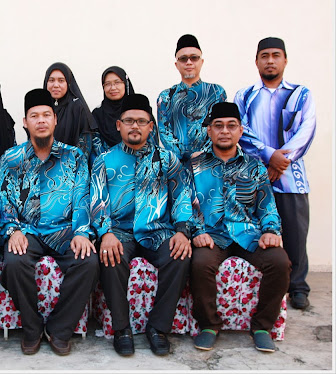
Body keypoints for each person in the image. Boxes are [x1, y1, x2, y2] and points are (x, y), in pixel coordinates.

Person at [0, 88, 99, 356]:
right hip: (27, 230)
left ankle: (59, 329)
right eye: (34, 115)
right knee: (14, 262)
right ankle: (31, 328)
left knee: (88, 261)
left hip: (65, 231)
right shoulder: (11, 159)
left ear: (55, 120)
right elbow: (3, 201)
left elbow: (82, 197)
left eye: (46, 115)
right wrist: (13, 231)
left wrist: (81, 232)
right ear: (25, 122)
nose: (41, 120)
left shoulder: (74, 157)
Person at [90, 93, 193, 357]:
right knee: (110, 257)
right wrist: (105, 233)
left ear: (150, 126)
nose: (135, 126)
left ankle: (158, 328)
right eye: (129, 120)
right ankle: (122, 329)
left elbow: (181, 195)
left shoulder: (166, 159)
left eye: (141, 121)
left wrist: (182, 232)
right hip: (120, 233)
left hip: (157, 231)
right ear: (118, 125)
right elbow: (97, 200)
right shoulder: (104, 160)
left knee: (179, 256)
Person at [189, 102, 291, 352]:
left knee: (280, 262)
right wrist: (198, 232)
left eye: (231, 126)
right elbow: (185, 204)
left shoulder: (255, 167)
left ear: (240, 131)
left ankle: (262, 326)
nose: (225, 131)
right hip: (212, 234)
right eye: (218, 126)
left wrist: (270, 230)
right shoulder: (194, 166)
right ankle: (209, 325)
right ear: (209, 131)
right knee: (200, 263)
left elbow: (267, 205)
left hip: (249, 233)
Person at [235, 37, 316, 310]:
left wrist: (280, 161)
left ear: (285, 60)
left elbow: (306, 131)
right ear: (256, 61)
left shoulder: (301, 94)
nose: (270, 60)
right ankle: (265, 285)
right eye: (265, 55)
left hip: (291, 178)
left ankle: (298, 288)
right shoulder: (245, 96)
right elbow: (241, 132)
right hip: (255, 179)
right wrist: (269, 156)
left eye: (276, 55)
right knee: (259, 234)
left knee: (295, 234)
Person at [157, 34, 227, 162]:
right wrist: (185, 156)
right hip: (177, 166)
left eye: (194, 58)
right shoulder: (166, 96)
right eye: (183, 59)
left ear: (201, 61)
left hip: (211, 163)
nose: (189, 62)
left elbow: (220, 126)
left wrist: (204, 152)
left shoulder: (216, 93)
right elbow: (164, 131)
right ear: (176, 64)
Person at [43, 62, 97, 155]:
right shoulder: (41, 108)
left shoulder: (78, 107)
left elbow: (85, 147)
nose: (56, 85)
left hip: (71, 165)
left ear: (68, 83)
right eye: (51, 80)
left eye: (61, 80)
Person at [89, 66, 136, 165]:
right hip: (108, 169)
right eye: (108, 84)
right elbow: (95, 148)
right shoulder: (97, 114)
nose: (113, 88)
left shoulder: (139, 112)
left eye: (117, 82)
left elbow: (150, 144)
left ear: (126, 84)